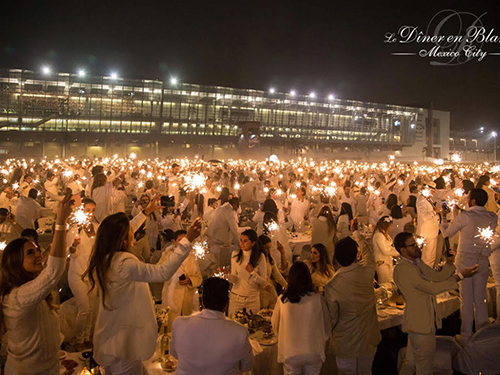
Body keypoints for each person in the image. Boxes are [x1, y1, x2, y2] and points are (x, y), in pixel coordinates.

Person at [84, 198, 202, 374]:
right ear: (123, 237)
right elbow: (162, 272)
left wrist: (146, 212)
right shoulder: (124, 263)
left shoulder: (106, 257)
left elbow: (122, 228)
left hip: (112, 338)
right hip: (122, 347)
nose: (134, 232)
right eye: (129, 231)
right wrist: (187, 241)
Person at [0, 194, 73, 374]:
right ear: (16, 263)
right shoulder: (17, 297)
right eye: (30, 253)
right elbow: (54, 270)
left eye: (37, 249)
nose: (38, 254)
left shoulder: (34, 292)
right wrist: (60, 221)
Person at [393, 232, 478, 375]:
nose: (416, 247)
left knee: (410, 363)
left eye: (416, 244)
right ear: (403, 250)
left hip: (423, 322)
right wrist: (461, 276)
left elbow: (436, 277)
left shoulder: (416, 263)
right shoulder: (403, 269)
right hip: (420, 324)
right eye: (412, 245)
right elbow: (431, 288)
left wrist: (449, 262)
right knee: (424, 367)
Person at [440, 188, 498, 346]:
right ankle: (482, 334)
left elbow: (446, 234)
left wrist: (444, 218)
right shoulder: (493, 217)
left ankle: (466, 335)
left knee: (466, 299)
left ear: (472, 201)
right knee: (480, 299)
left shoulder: (465, 216)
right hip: (483, 260)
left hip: (465, 259)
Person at [170, 277, 253, 375]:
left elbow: (174, 354)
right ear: (227, 304)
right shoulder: (239, 332)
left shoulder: (179, 324)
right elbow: (247, 366)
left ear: (202, 302)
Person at [324, 233, 381, 375]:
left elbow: (332, 318)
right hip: (368, 337)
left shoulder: (332, 285)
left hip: (345, 341)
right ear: (357, 254)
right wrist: (357, 233)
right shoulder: (367, 270)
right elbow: (368, 251)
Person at [272, 261, 331, 375]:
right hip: (313, 350)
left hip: (291, 351)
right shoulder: (317, 298)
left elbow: (275, 325)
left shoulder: (283, 300)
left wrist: (283, 336)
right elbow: (327, 324)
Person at [65, 197, 99, 351]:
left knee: (91, 308)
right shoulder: (73, 229)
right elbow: (69, 253)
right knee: (84, 308)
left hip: (91, 274)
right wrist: (73, 246)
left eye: (92, 210)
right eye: (87, 210)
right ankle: (79, 339)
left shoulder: (97, 228)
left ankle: (87, 337)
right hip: (77, 273)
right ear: (81, 211)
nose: (90, 213)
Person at [159, 230, 203, 331]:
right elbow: (159, 272)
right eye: (180, 240)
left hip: (188, 298)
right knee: (170, 328)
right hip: (172, 297)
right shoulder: (167, 256)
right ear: (174, 242)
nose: (183, 243)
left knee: (188, 329)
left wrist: (190, 280)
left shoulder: (192, 257)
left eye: (185, 240)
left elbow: (198, 278)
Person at [228, 229, 267, 318]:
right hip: (237, 298)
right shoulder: (235, 255)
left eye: (245, 241)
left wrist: (252, 272)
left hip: (252, 299)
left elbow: (263, 282)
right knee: (234, 324)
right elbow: (234, 279)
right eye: (241, 240)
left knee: (253, 327)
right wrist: (226, 275)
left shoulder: (260, 257)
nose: (242, 243)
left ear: (253, 243)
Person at [206, 197, 240, 265]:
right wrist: (239, 244)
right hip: (216, 237)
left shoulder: (223, 207)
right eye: (238, 205)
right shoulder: (229, 211)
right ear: (235, 204)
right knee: (217, 260)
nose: (238, 208)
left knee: (214, 258)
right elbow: (233, 229)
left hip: (212, 234)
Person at [259, 235, 288, 309]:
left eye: (269, 248)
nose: (268, 251)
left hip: (270, 289)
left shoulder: (270, 259)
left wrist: (287, 286)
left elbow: (277, 275)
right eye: (266, 248)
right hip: (260, 290)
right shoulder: (256, 260)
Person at [416, 185, 440, 267]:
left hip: (432, 231)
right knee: (428, 256)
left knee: (430, 255)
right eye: (432, 191)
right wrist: (434, 212)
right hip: (428, 232)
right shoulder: (421, 201)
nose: (433, 194)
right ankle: (427, 274)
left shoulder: (427, 199)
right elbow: (424, 216)